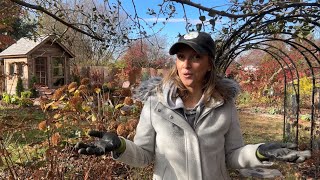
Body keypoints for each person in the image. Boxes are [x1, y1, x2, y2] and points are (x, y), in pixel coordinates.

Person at [75, 31, 311, 180]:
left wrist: (258, 151)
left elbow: (231, 156)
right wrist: (120, 146)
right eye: (181, 57)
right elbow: (145, 156)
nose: (186, 64)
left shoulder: (224, 105)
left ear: (209, 64)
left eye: (196, 57)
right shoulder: (156, 104)